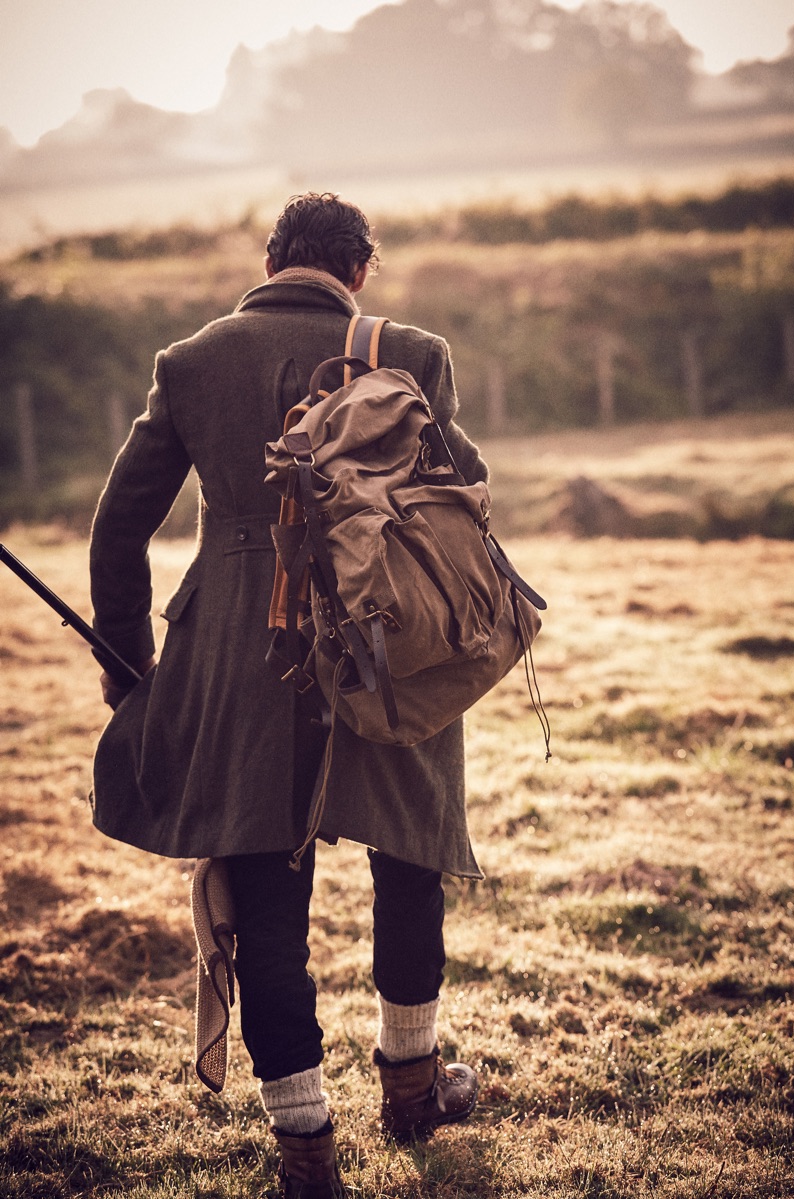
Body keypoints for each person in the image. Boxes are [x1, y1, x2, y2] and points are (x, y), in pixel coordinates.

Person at [89, 192, 488, 1198]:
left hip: (237, 654)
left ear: (271, 259)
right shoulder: (413, 351)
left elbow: (116, 530)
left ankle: (305, 1145)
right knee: (408, 856)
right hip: (384, 637)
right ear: (358, 271)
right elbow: (465, 490)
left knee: (264, 895)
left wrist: (129, 669)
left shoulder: (189, 361)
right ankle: (410, 1088)